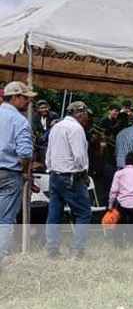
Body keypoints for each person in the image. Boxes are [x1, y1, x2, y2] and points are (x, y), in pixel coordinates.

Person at [45, 101, 92, 259]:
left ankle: (52, 248)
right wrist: (84, 174)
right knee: (83, 212)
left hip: (54, 174)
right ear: (81, 113)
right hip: (71, 176)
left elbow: (49, 152)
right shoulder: (76, 128)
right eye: (86, 115)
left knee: (54, 213)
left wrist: (50, 168)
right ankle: (77, 249)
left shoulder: (56, 127)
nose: (87, 119)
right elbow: (79, 155)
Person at [0, 82, 35, 269]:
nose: (28, 101)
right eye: (25, 97)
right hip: (9, 174)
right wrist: (24, 170)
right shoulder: (20, 121)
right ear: (15, 97)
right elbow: (25, 153)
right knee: (4, 219)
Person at [109, 151, 133, 247]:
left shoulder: (118, 174)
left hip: (122, 202)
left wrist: (110, 204)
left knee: (120, 222)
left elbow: (113, 190)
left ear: (125, 162)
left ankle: (119, 241)